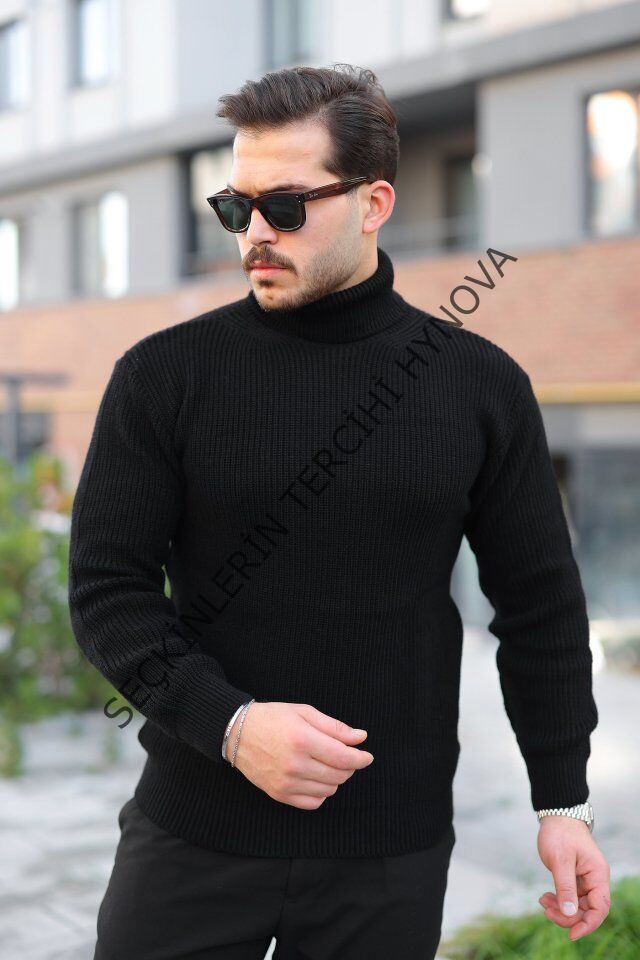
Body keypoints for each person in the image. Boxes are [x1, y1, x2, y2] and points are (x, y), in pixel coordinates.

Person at [68, 64, 609, 960]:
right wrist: (232, 726)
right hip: (193, 830)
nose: (255, 234)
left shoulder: (479, 386)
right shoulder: (164, 375)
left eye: (285, 206)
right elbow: (106, 590)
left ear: (374, 202)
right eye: (236, 207)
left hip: (389, 851)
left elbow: (541, 606)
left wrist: (563, 803)